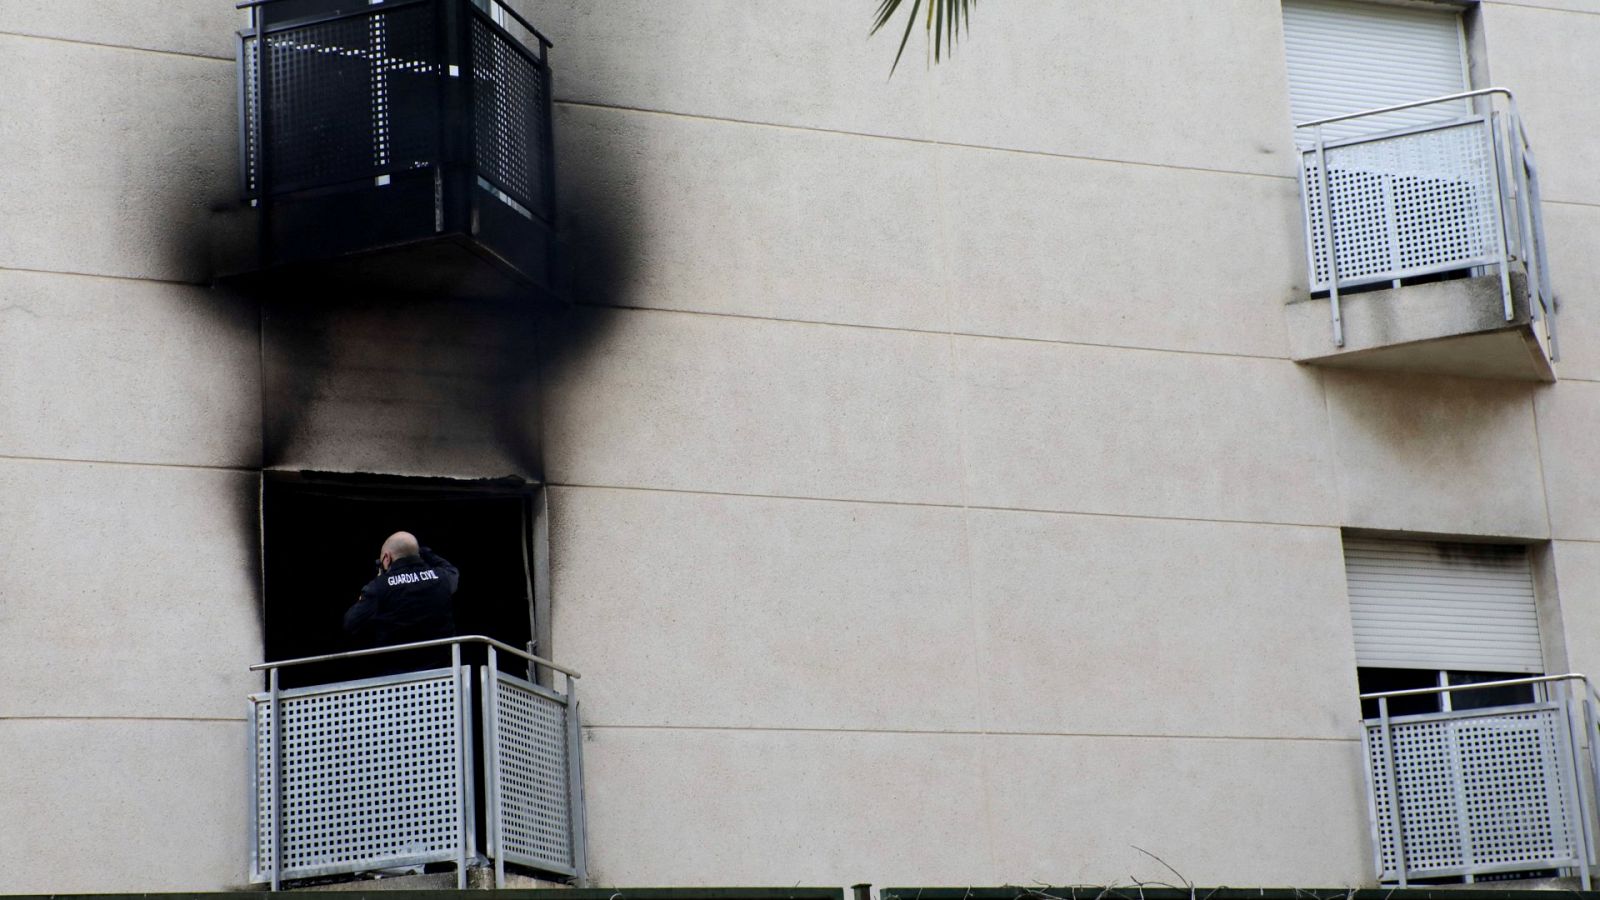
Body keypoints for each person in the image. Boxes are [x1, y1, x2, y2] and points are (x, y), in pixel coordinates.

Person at [343, 531, 459, 649]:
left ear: (387, 557)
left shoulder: (378, 587)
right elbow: (451, 569)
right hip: (443, 666)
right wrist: (421, 551)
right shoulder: (443, 577)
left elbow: (350, 623)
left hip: (396, 666)